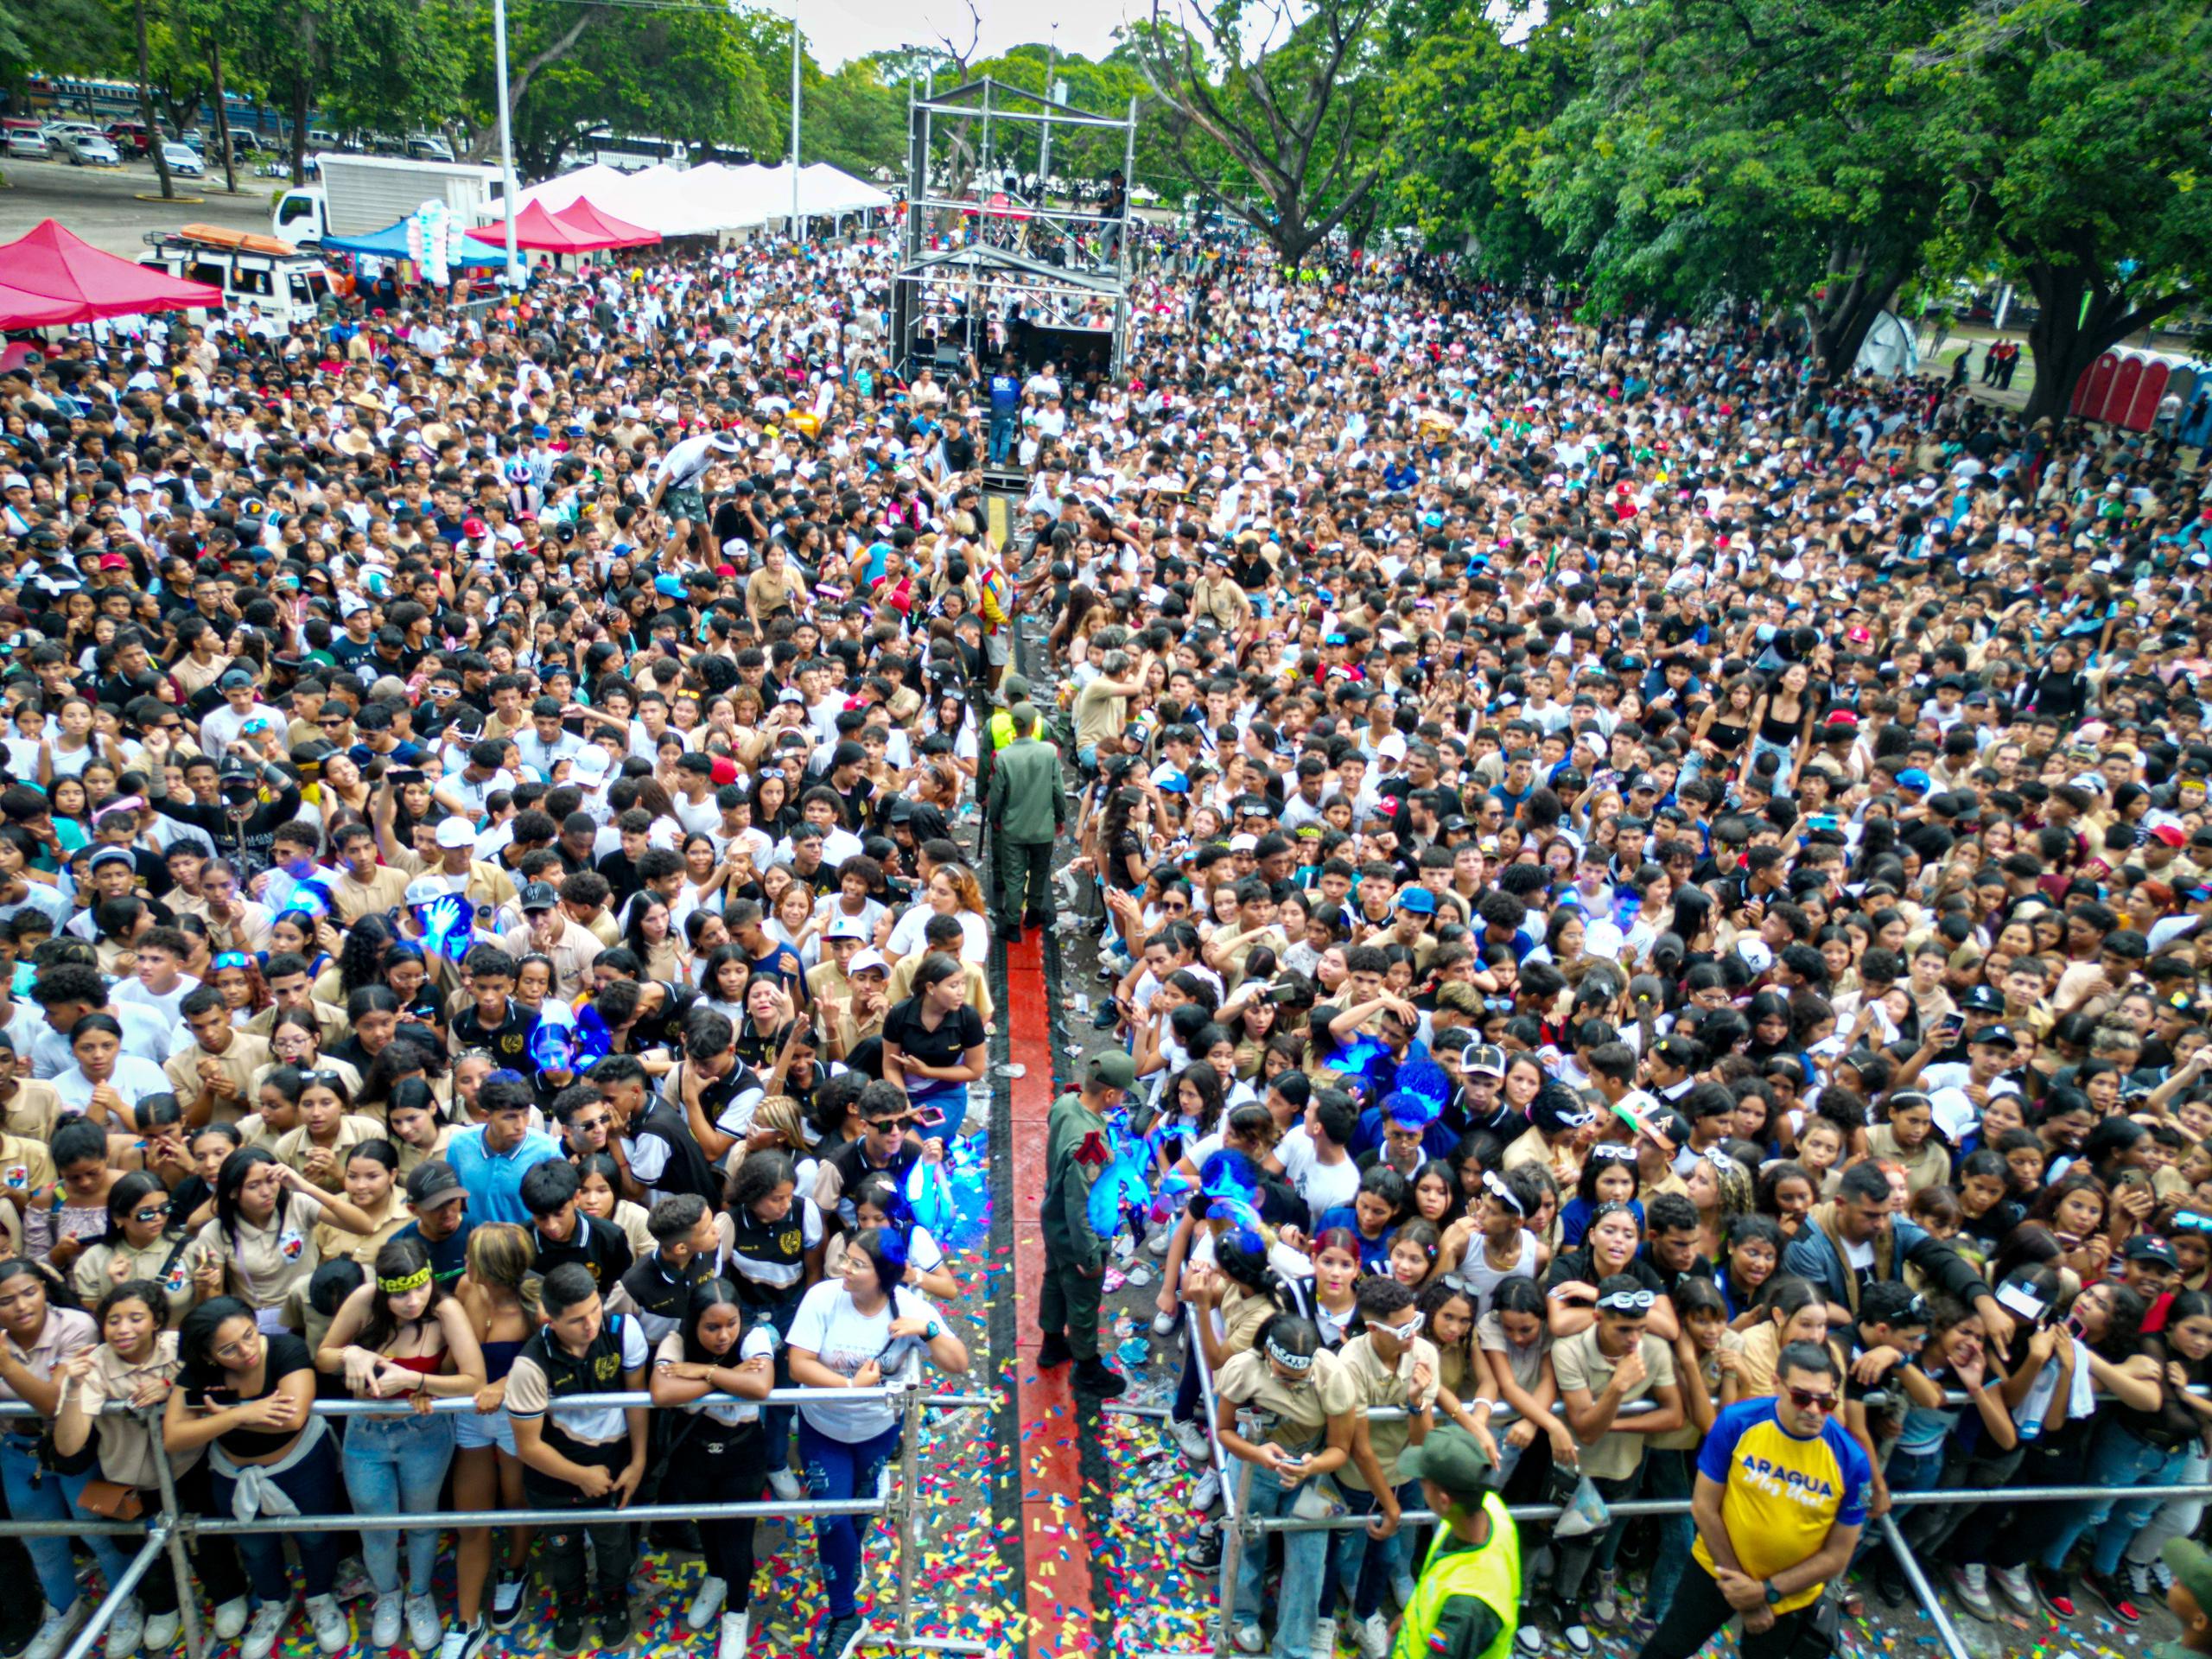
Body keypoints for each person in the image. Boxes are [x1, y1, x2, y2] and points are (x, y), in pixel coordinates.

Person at [785, 1227, 969, 1659]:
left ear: (884, 1276)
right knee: (831, 1517)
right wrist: (851, 1386)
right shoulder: (822, 1298)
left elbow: (958, 1362)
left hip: (877, 1432)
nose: (844, 1269)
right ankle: (845, 1614)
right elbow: (798, 1364)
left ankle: (849, 1559)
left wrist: (927, 1330)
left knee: (861, 1508)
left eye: (857, 1264)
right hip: (822, 1428)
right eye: (845, 1259)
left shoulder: (908, 1307)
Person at [1637, 1341, 1871, 1659]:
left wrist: (1765, 1592)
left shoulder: (1851, 1461)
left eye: (1826, 1401)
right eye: (1802, 1398)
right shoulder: (1737, 1422)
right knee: (1666, 1649)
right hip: (1715, 1570)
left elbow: (1837, 1556)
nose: (1814, 1411)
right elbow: (1704, 1507)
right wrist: (1742, 1591)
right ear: (1776, 1384)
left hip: (1788, 1596)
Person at [505, 1260, 649, 1652]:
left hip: (616, 1464)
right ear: (549, 1320)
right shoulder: (529, 1367)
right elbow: (528, 1446)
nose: (590, 1325)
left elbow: (636, 1401)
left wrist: (637, 1462)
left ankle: (614, 1599)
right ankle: (570, 1603)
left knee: (613, 1543)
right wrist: (580, 1476)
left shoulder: (623, 1331)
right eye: (576, 1320)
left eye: (594, 1310)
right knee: (562, 1548)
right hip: (553, 1481)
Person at [1037, 1050, 1135, 1396]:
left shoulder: (1066, 1103)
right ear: (1109, 1095)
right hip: (1076, 1234)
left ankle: (1052, 1343)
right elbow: (1081, 1208)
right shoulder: (1089, 1146)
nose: (1124, 1098)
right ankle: (1086, 1366)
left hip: (1054, 1221)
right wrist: (1090, 1256)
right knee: (1082, 1300)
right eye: (1123, 1092)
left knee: (1054, 1280)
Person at [1389, 1422, 1522, 1659]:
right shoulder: (1489, 1506)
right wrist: (1409, 1619)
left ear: (1444, 1501)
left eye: (1423, 1481)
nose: (1420, 1485)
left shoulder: (1467, 1606)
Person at [986, 702, 1067, 941]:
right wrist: (1060, 817)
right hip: (1042, 827)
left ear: (1014, 725)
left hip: (1013, 828)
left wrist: (994, 819)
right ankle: (1034, 911)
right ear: (1033, 726)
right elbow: (1058, 790)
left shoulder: (1003, 757)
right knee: (1039, 870)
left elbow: (997, 794)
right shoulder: (1048, 752)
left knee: (1014, 876)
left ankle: (1012, 922)